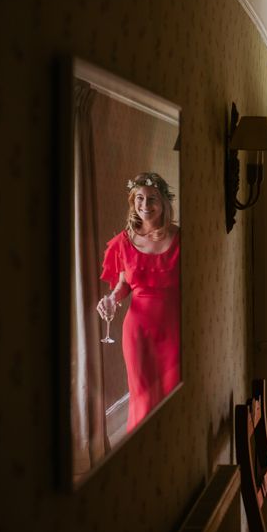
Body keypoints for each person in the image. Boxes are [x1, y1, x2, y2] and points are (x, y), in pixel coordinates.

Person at [97, 172, 180, 432]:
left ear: (164, 202)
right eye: (139, 199)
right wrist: (111, 299)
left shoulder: (181, 238)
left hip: (175, 327)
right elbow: (123, 285)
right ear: (133, 202)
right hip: (138, 331)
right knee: (143, 397)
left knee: (172, 393)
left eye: (152, 199)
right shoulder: (125, 241)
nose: (145, 205)